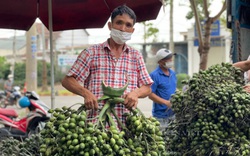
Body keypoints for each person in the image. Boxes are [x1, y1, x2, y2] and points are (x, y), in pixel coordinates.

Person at [61, 5, 153, 125]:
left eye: (128, 25)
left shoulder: (136, 56)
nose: (123, 29)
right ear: (110, 26)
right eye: (119, 23)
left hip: (125, 126)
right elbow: (67, 81)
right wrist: (86, 93)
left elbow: (147, 88)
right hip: (95, 127)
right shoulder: (91, 53)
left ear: (132, 30)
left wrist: (136, 93)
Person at [148, 49, 177, 130]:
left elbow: (173, 88)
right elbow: (150, 94)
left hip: (173, 114)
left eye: (171, 59)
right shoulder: (155, 75)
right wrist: (166, 102)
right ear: (160, 62)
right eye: (168, 60)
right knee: (163, 140)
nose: (171, 61)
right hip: (160, 116)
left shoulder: (172, 73)